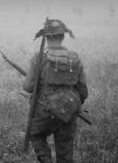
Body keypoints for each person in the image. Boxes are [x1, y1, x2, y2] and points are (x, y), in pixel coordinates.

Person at [23, 19, 88, 163]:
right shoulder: (75, 59)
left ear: (46, 38)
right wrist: (70, 104)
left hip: (45, 111)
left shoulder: (39, 58)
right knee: (65, 151)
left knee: (35, 134)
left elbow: (27, 87)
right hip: (70, 111)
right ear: (63, 37)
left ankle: (46, 160)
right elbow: (83, 91)